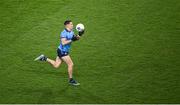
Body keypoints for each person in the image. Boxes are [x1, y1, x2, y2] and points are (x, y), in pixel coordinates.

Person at [34, 20, 84, 86]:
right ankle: (71, 80)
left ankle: (44, 58)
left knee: (56, 65)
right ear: (67, 25)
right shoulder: (63, 33)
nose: (73, 25)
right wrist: (72, 39)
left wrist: (80, 34)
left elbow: (74, 39)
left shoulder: (71, 32)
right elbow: (63, 43)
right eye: (71, 24)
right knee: (71, 64)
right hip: (62, 51)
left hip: (61, 50)